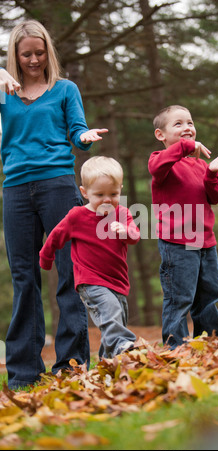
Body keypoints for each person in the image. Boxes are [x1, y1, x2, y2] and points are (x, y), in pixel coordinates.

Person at [0, 20, 108, 389]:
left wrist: (86, 136)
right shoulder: (4, 92)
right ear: (15, 55)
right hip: (15, 189)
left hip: (58, 185)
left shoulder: (65, 89)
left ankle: (73, 365)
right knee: (24, 278)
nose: (33, 59)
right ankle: (24, 373)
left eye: (39, 52)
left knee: (69, 272)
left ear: (48, 52)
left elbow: (78, 130)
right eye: (26, 53)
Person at [40, 156, 140, 359]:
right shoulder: (76, 216)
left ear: (120, 189)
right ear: (84, 193)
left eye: (113, 194)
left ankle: (107, 365)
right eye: (99, 194)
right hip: (90, 280)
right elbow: (55, 237)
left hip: (117, 281)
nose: (107, 199)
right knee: (110, 313)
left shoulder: (122, 213)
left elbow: (135, 236)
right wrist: (46, 257)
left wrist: (125, 231)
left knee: (115, 322)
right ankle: (123, 345)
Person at [148, 105, 218, 349]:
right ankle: (177, 348)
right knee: (179, 298)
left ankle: (211, 342)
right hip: (177, 243)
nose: (187, 128)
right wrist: (185, 147)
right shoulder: (160, 161)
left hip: (205, 241)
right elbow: (156, 167)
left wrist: (213, 174)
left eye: (190, 123)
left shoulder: (200, 166)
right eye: (179, 124)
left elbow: (214, 197)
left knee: (209, 295)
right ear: (160, 135)